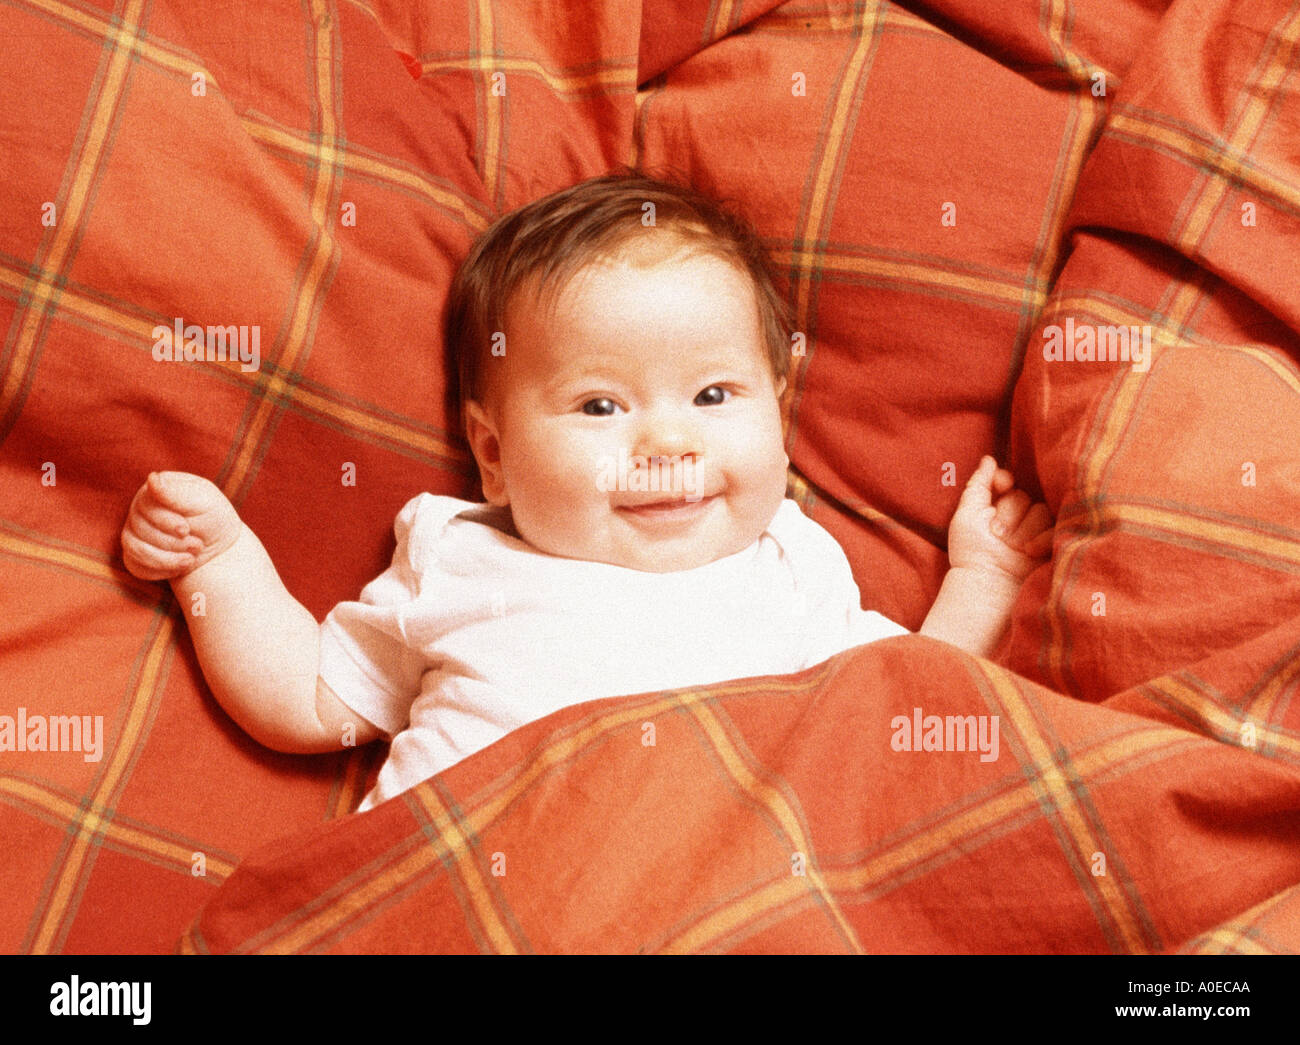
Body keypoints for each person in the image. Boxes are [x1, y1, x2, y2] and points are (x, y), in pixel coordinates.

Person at [120, 173, 1052, 811]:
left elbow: (913, 690)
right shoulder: (460, 559)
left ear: (778, 408)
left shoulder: (795, 566)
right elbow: (306, 701)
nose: (667, 439)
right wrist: (221, 564)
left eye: (714, 394)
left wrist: (984, 575)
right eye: (600, 403)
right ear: (493, 456)